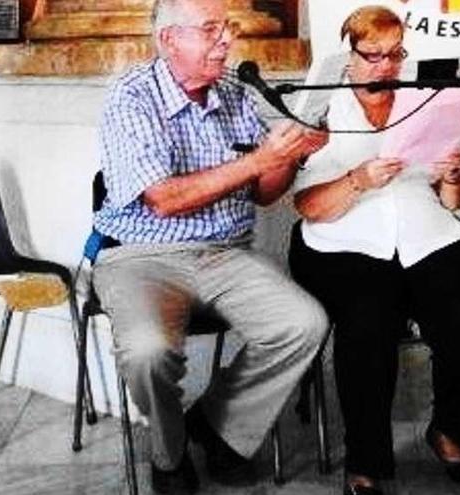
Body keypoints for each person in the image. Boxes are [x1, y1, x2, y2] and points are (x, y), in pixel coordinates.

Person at [91, 0, 329, 492]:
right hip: (140, 255)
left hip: (226, 253)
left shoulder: (237, 95)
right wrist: (261, 157)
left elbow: (264, 193)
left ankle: (219, 426)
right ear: (169, 40)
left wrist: (290, 153)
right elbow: (164, 199)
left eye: (228, 27)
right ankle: (168, 452)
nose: (226, 40)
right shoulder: (131, 97)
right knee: (147, 351)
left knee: (304, 325)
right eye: (210, 29)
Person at [287, 6, 460, 495]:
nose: (384, 65)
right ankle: (367, 461)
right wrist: (358, 179)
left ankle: (452, 431)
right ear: (348, 56)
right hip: (343, 239)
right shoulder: (318, 107)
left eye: (394, 54)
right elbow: (309, 206)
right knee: (367, 323)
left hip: (426, 232)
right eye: (372, 55)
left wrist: (454, 178)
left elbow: (454, 201)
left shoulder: (424, 101)